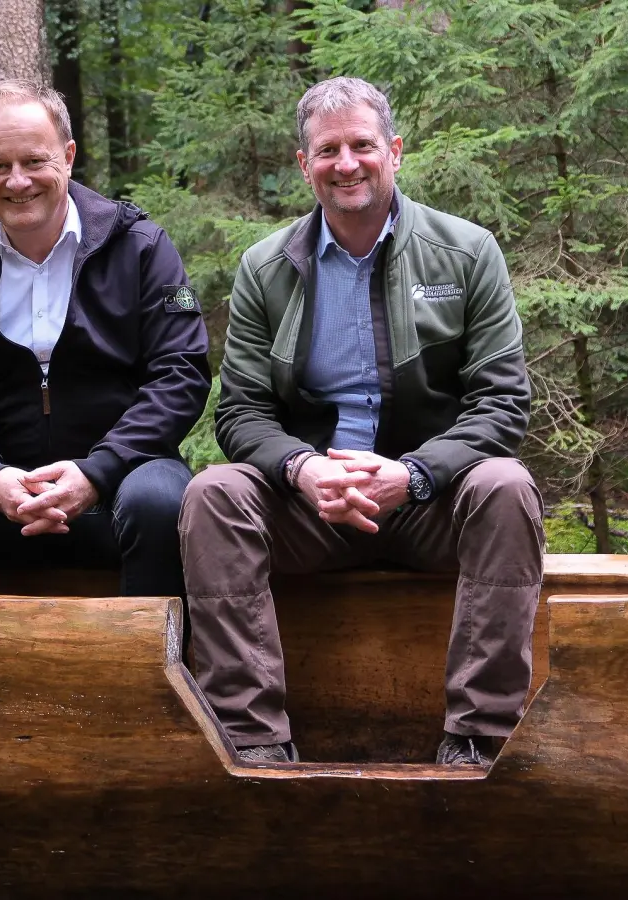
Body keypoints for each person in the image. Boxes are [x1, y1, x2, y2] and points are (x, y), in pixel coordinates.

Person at [180, 77, 544, 766]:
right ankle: (254, 745)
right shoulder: (266, 267)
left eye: (362, 146)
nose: (346, 164)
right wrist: (302, 467)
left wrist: (413, 474)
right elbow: (241, 410)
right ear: (304, 164)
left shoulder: (467, 254)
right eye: (327, 150)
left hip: (429, 502)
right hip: (312, 507)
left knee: (507, 487)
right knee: (212, 495)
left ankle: (479, 741)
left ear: (395, 151)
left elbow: (501, 403)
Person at [0, 80, 210, 597]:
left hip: (122, 485)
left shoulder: (142, 250)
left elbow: (180, 374)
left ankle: (143, 673)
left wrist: (96, 472)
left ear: (69, 156)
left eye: (34, 161)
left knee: (163, 501)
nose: (18, 181)